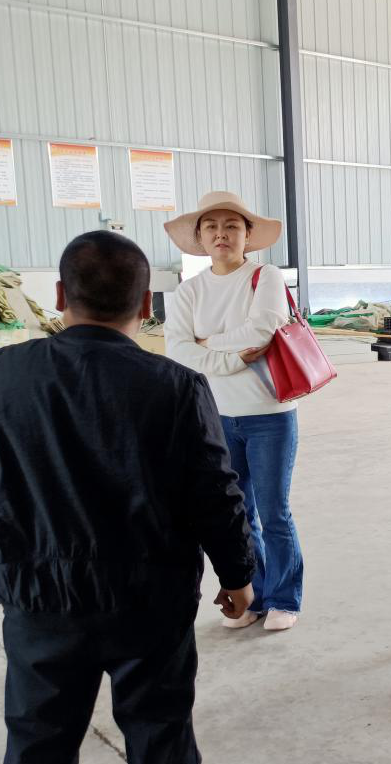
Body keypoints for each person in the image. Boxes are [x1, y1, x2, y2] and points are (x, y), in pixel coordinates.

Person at [0, 231, 254, 764]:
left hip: (39, 596)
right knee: (160, 733)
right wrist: (237, 575)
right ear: (146, 303)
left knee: (39, 741)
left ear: (60, 294)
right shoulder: (176, 385)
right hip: (149, 598)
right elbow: (215, 493)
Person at [165, 191, 304, 632]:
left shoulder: (265, 277)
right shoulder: (188, 291)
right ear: (200, 237)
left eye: (231, 226)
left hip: (269, 414)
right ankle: (253, 596)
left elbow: (263, 329)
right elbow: (178, 351)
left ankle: (284, 598)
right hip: (216, 417)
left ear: (247, 235)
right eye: (211, 226)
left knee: (274, 511)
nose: (221, 234)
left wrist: (207, 344)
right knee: (237, 513)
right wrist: (234, 357)